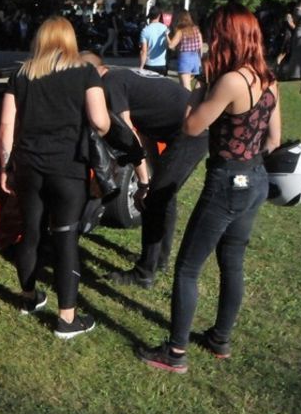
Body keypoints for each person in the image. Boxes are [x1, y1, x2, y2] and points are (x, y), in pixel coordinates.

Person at [137, 3, 282, 373]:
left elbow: (190, 127)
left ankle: (175, 353)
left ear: (228, 35)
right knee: (232, 261)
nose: (211, 39)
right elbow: (273, 140)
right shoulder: (268, 78)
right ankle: (220, 338)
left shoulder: (230, 80)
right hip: (256, 179)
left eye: (216, 33)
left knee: (187, 268)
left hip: (227, 182)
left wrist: (200, 88)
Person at [0, 16, 110, 339]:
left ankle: (28, 297)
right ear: (69, 40)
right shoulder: (85, 72)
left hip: (29, 166)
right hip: (68, 168)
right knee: (65, 238)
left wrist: (5, 167)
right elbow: (101, 122)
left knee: (30, 231)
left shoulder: (21, 74)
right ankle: (67, 319)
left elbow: (6, 127)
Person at [82, 53, 208, 289]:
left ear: (100, 71)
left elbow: (127, 131)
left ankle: (144, 273)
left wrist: (143, 184)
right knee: (163, 197)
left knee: (155, 199)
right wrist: (150, 173)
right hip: (188, 128)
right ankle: (158, 259)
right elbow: (145, 128)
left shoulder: (109, 84)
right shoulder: (124, 77)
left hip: (189, 133)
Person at [168, 11, 203, 89]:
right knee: (193, 86)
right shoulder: (196, 30)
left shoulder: (181, 31)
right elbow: (200, 46)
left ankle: (189, 101)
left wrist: (166, 36)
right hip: (195, 59)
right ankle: (195, 99)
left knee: (185, 88)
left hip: (185, 60)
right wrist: (199, 61)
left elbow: (171, 46)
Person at [140, 6, 169, 76]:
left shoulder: (145, 30)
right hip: (162, 64)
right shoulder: (165, 28)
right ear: (159, 15)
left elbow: (144, 51)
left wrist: (141, 66)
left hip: (149, 64)